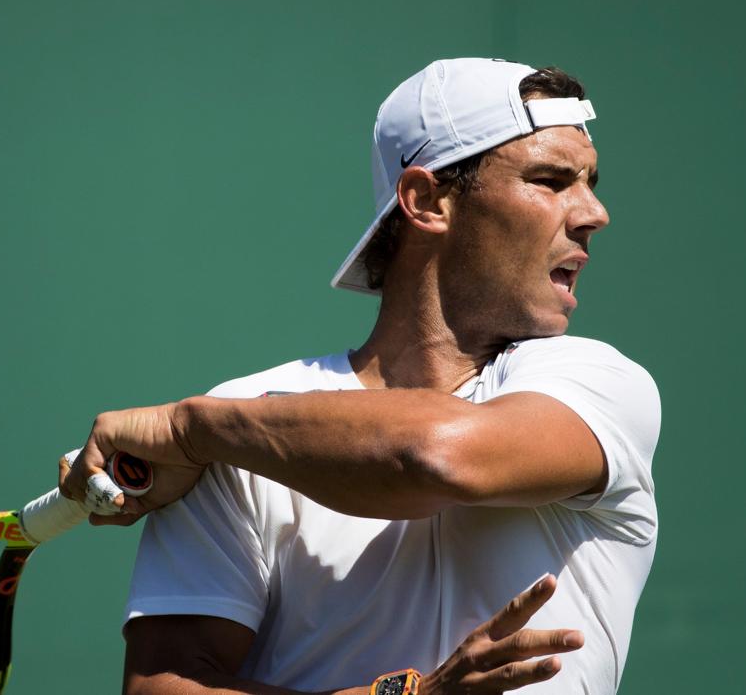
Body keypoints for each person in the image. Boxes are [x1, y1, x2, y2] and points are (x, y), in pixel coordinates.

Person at [62, 57, 660, 694]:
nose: (594, 213)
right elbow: (164, 691)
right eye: (550, 180)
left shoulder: (599, 383)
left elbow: (436, 456)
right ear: (427, 201)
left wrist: (189, 430)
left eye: (590, 183)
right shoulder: (232, 421)